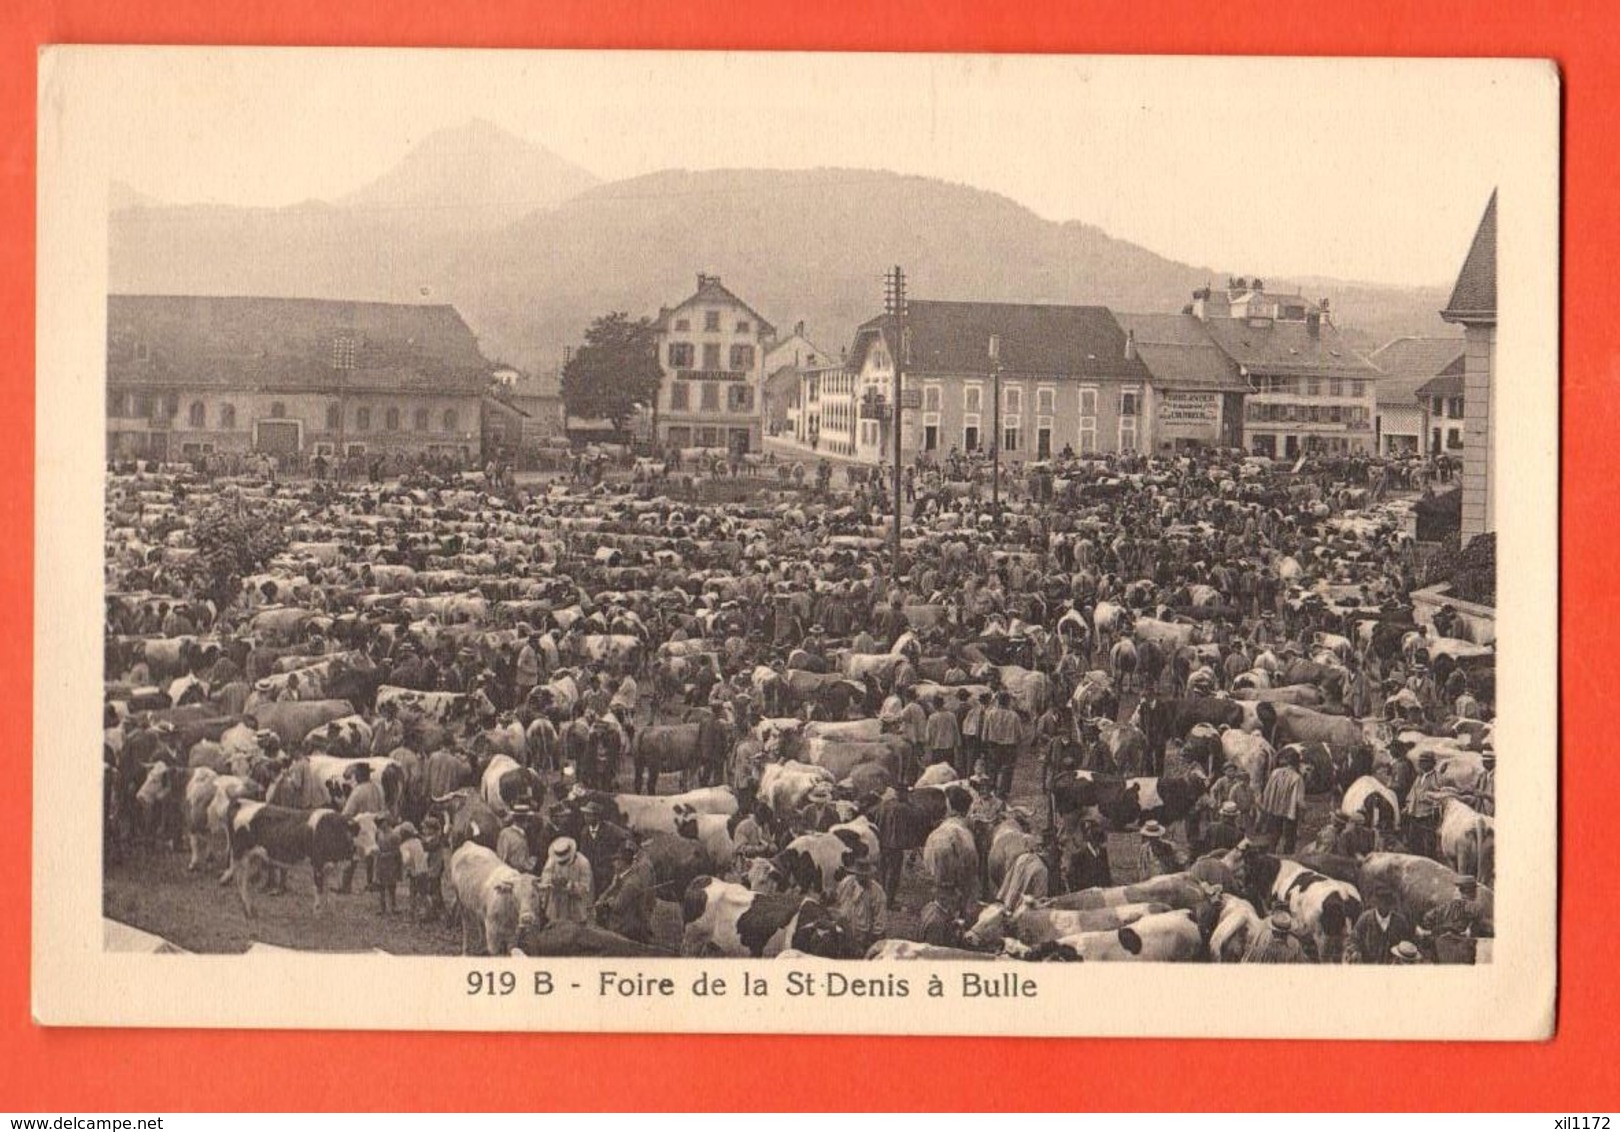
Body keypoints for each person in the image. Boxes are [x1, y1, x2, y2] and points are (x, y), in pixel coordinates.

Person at [595, 840, 656, 943]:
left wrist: (608, 902)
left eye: (615, 860)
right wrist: (611, 887)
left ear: (622, 862)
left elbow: (617, 907)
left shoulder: (631, 883)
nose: (613, 864)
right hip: (620, 924)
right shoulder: (622, 878)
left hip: (626, 929)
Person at [1345, 885, 1415, 964]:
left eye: (1387, 902)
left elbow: (1407, 944)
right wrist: (1355, 952)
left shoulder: (1400, 922)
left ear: (1391, 904)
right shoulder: (1365, 919)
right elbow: (1352, 940)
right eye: (1381, 902)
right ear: (1376, 903)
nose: (1384, 906)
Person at [833, 856, 888, 954]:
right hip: (844, 933)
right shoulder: (846, 883)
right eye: (858, 874)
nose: (861, 877)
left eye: (864, 875)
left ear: (869, 875)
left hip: (864, 939)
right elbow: (837, 902)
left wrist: (870, 943)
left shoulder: (877, 893)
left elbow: (879, 924)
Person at [575, 800, 629, 898]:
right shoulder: (584, 832)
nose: (586, 818)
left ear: (597, 816)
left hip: (607, 872)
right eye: (585, 815)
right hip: (591, 873)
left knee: (606, 896)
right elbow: (583, 854)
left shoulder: (609, 829)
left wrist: (618, 856)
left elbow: (625, 838)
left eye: (589, 815)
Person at [538, 837, 594, 925]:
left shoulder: (583, 863)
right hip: (556, 907)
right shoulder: (552, 860)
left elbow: (585, 888)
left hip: (575, 910)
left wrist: (569, 885)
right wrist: (552, 881)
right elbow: (545, 877)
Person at [1258, 747, 1305, 853]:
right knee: (1290, 837)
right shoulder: (1297, 778)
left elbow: (1267, 790)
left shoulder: (1275, 773)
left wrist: (1266, 805)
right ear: (1297, 763)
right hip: (1290, 812)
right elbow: (1299, 801)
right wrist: (1302, 815)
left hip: (1274, 809)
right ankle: (1287, 856)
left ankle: (1270, 853)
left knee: (1273, 834)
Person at [981, 691, 1023, 799]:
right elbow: (1019, 734)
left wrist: (985, 742)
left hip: (993, 745)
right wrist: (1017, 743)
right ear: (1008, 702)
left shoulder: (990, 713)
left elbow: (985, 731)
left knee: (992, 768)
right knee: (1007, 769)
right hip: (1009, 746)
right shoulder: (1014, 716)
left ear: (998, 701)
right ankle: (1003, 792)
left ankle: (991, 789)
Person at [1405, 752, 1444, 859]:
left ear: (1432, 763)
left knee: (1429, 846)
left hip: (1427, 815)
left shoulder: (1437, 778)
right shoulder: (1420, 776)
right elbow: (1413, 792)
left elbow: (1441, 796)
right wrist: (1408, 806)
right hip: (1415, 814)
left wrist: (1427, 798)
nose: (1421, 764)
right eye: (1420, 761)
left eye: (1424, 761)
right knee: (1414, 843)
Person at [1243, 910, 1309, 964]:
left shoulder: (1263, 939)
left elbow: (1250, 957)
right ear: (1288, 931)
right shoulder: (1294, 945)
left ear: (1273, 930)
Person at [373, 816, 403, 915]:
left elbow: (397, 851)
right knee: (381, 885)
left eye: (381, 822)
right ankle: (382, 907)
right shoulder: (378, 833)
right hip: (381, 863)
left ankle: (393, 906)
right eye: (378, 823)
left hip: (391, 863)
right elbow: (376, 844)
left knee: (391, 886)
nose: (380, 825)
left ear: (386, 822)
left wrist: (386, 855)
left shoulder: (394, 835)